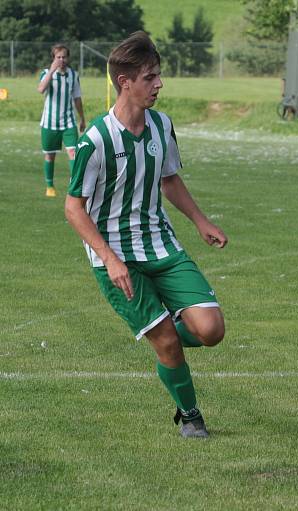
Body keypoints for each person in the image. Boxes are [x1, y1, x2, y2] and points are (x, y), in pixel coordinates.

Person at [64, 32, 227, 438]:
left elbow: (169, 178)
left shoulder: (161, 125)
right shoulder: (96, 140)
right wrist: (109, 258)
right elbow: (73, 208)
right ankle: (190, 416)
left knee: (211, 331)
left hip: (161, 243)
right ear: (126, 83)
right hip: (115, 255)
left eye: (158, 75)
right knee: (168, 343)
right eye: (150, 77)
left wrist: (200, 221)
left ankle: (168, 323)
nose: (159, 84)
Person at [38, 44, 86, 197]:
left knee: (73, 152)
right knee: (50, 155)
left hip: (69, 122)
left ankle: (74, 186)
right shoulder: (46, 73)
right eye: (58, 57)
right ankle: (50, 186)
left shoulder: (73, 75)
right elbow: (40, 89)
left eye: (64, 57)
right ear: (53, 58)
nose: (61, 60)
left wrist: (82, 118)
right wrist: (52, 70)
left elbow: (77, 98)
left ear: (68, 58)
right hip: (49, 123)